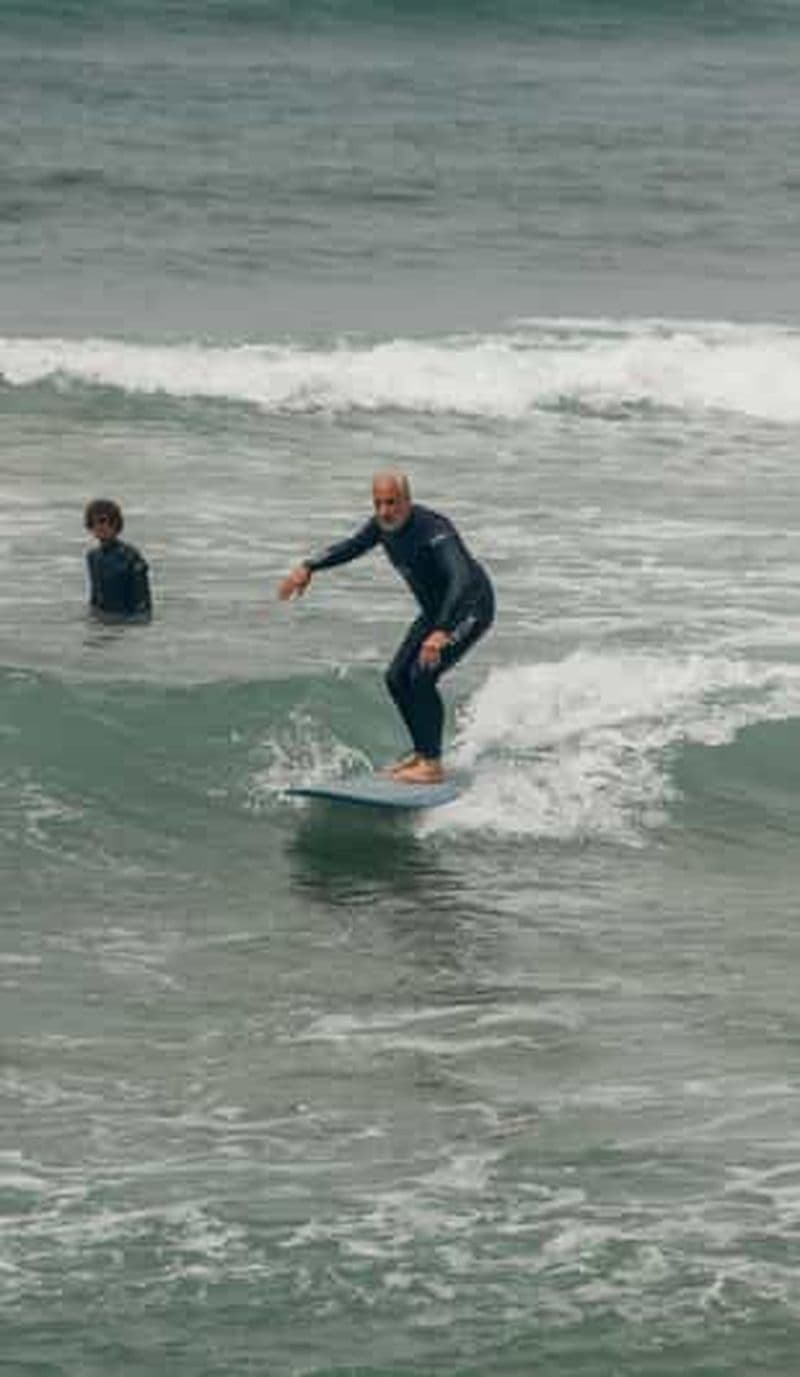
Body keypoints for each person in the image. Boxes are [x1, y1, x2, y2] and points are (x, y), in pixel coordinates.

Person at [279, 472, 494, 783]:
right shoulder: (383, 526)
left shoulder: (434, 529)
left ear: (407, 500)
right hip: (435, 612)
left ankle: (432, 765)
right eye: (378, 503)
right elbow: (352, 546)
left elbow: (461, 578)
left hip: (470, 608)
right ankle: (423, 753)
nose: (383, 511)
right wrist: (309, 566)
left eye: (391, 502)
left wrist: (442, 631)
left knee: (422, 676)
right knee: (396, 679)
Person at [84, 498, 152, 621]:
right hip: (101, 619)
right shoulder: (92, 557)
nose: (99, 526)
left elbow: (144, 603)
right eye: (94, 522)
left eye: (103, 521)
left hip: (126, 621)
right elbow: (95, 596)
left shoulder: (130, 556)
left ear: (115, 523)